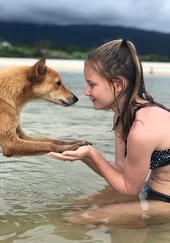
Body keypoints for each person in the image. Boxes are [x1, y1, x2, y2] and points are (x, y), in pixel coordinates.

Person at [47, 39, 170, 227]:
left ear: (118, 84)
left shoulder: (142, 129)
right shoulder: (121, 117)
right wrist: (84, 155)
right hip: (148, 190)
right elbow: (121, 171)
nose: (86, 92)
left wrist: (92, 154)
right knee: (70, 209)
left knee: (80, 219)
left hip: (165, 202)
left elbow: (129, 189)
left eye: (92, 84)